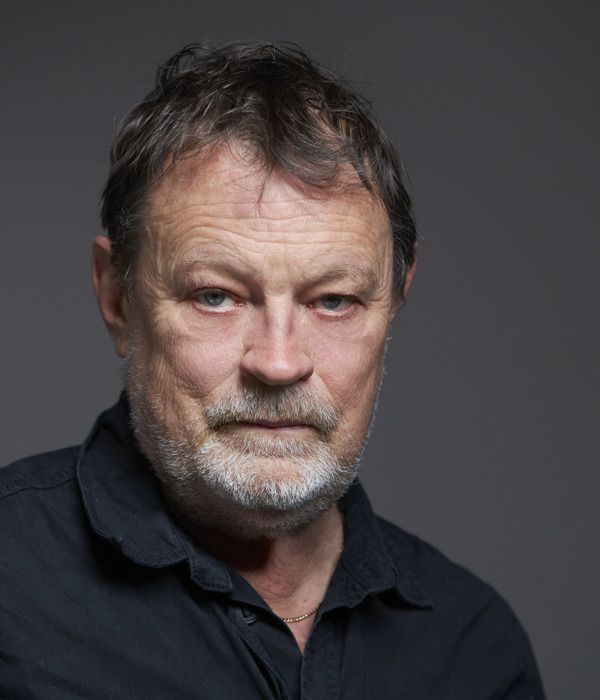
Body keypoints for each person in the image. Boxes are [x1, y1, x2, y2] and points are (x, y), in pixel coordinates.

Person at [0, 42, 545, 698]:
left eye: (334, 300)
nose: (279, 363)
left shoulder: (475, 649)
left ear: (396, 301)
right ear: (118, 298)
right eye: (216, 295)